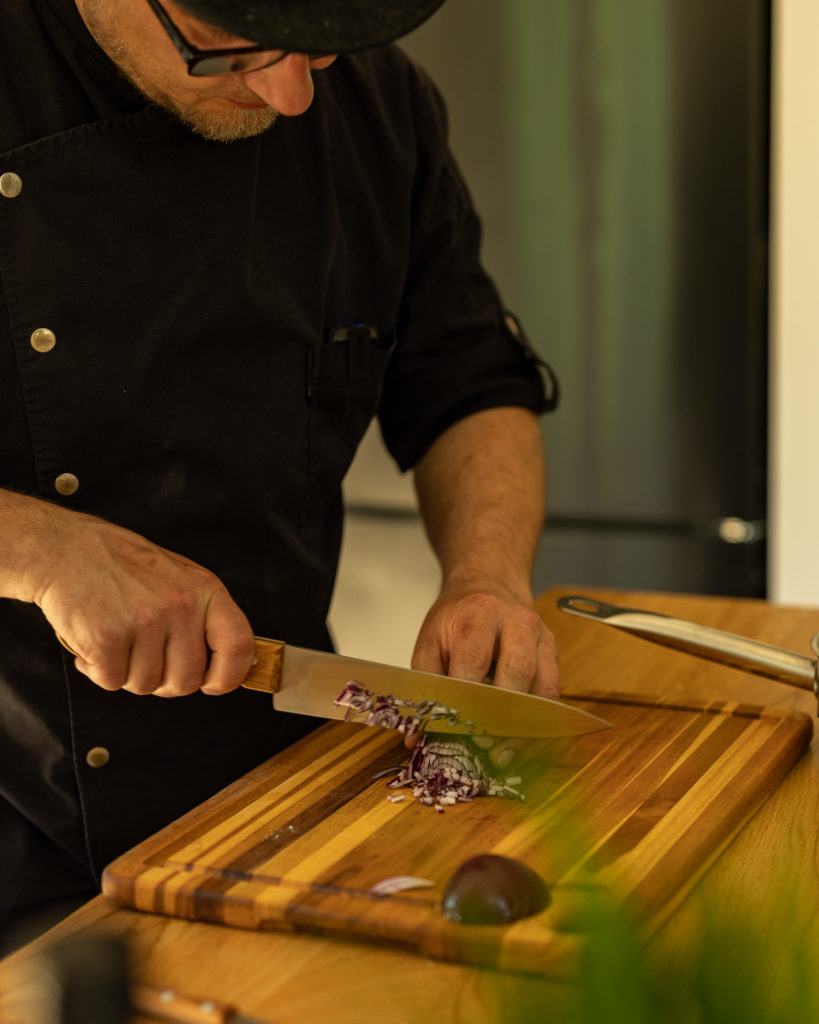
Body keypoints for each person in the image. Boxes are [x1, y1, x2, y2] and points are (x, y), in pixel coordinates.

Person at [0, 0, 559, 950]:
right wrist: (42, 549)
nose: (292, 92)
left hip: (270, 795)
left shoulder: (377, 104)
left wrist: (487, 577)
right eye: (239, 49)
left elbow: (468, 381)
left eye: (322, 52)